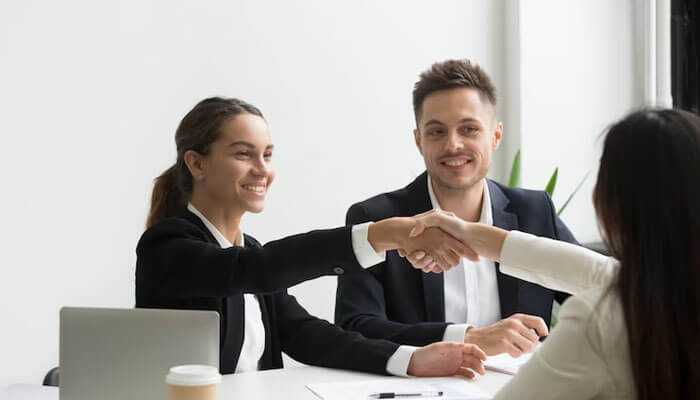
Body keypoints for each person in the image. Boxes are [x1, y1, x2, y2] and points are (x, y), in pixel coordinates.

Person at [135, 97, 486, 378]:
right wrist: (383, 234)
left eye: (268, 155)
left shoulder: (248, 249)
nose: (262, 169)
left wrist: (409, 360)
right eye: (244, 153)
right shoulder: (166, 246)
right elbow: (255, 269)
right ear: (197, 164)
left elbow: (307, 335)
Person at [408, 108, 700, 399]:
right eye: (437, 131)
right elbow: (602, 272)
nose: (453, 144)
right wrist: (475, 235)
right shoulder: (668, 289)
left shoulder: (597, 320)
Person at [335, 59, 577, 357]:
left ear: (495, 136)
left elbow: (604, 299)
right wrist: (467, 338)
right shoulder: (377, 219)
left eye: (469, 129)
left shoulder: (535, 212)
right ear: (418, 140)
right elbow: (355, 327)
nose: (453, 145)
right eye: (437, 132)